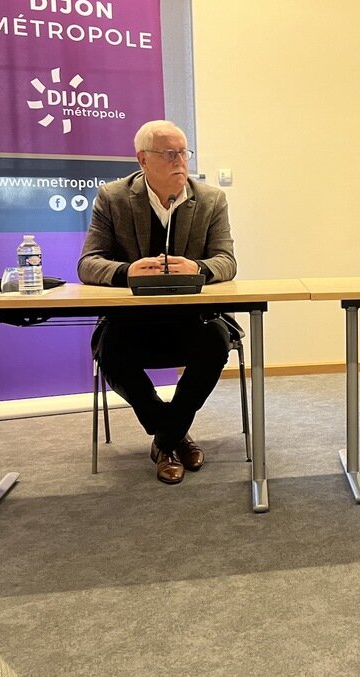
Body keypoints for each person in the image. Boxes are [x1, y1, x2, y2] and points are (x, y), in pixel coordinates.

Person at [78, 120, 237, 484]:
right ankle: (174, 433)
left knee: (215, 342)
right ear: (142, 160)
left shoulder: (211, 200)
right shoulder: (113, 198)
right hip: (131, 322)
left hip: (192, 318)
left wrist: (196, 267)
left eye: (183, 152)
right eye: (169, 154)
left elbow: (227, 262)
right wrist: (127, 271)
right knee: (110, 350)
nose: (180, 161)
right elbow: (88, 263)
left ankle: (165, 440)